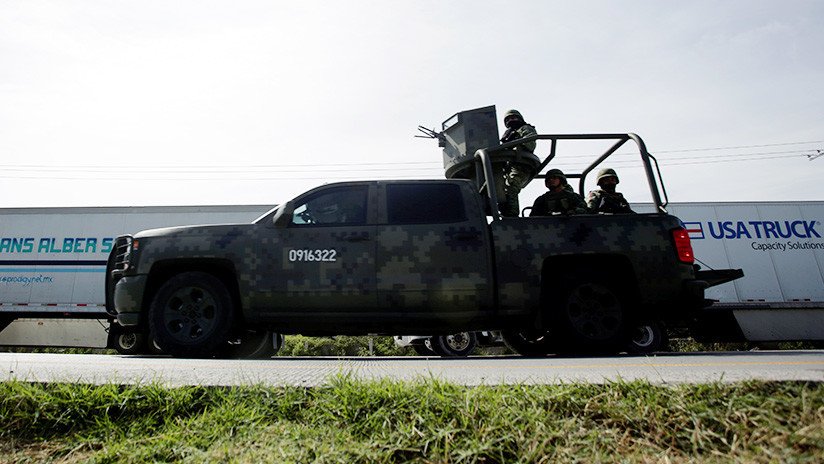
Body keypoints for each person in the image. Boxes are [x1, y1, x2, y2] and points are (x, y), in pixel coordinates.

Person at [496, 109, 538, 217]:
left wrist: (515, 144)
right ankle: (505, 213)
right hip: (510, 165)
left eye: (513, 118)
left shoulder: (526, 129)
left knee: (512, 186)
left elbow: (530, 144)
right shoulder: (508, 134)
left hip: (522, 163)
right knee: (498, 188)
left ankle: (512, 215)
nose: (511, 120)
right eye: (508, 119)